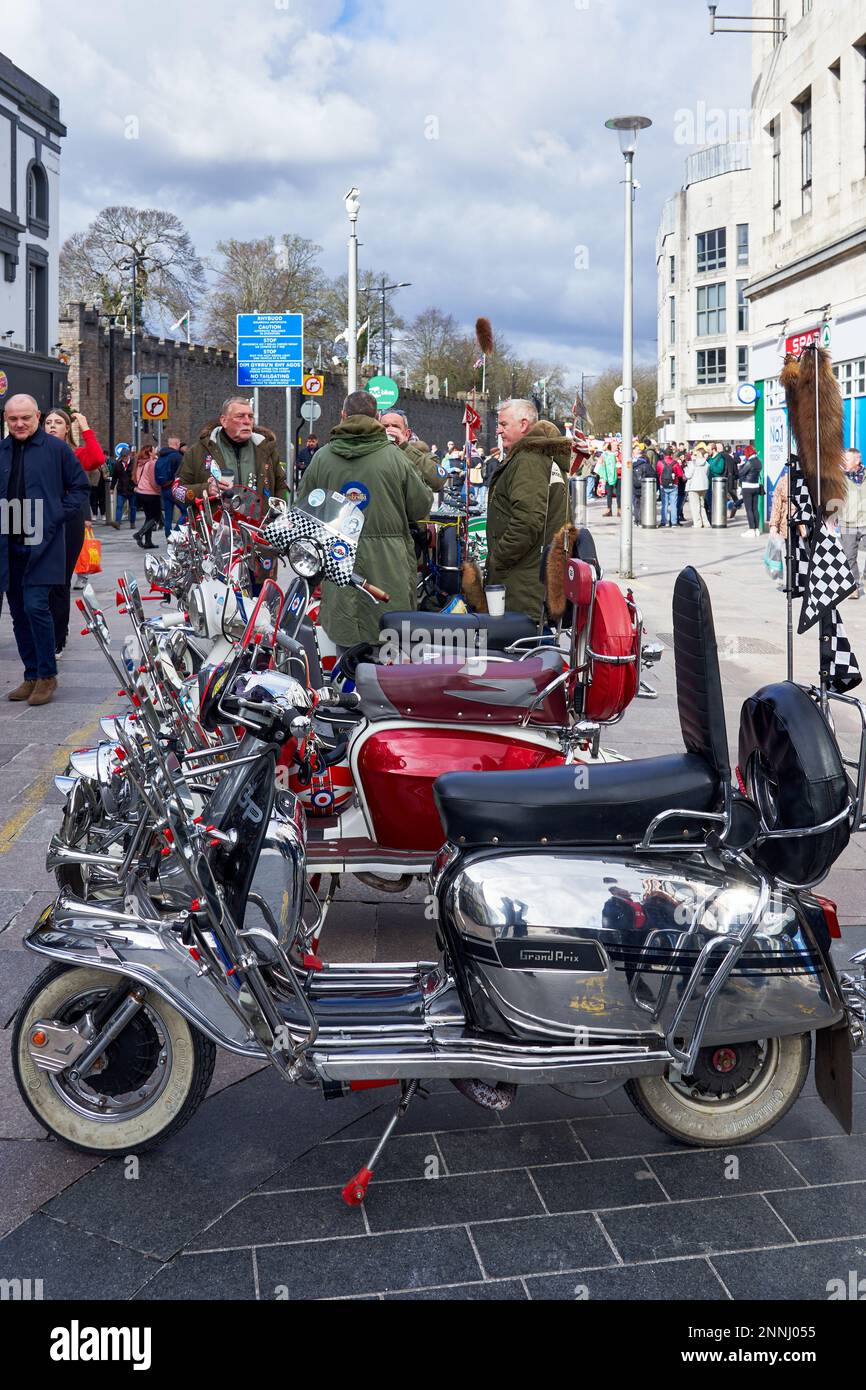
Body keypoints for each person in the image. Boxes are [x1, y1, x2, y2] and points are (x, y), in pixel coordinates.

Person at [298, 391, 433, 652]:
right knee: (390, 651)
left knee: (346, 651)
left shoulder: (322, 458)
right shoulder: (395, 458)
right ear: (378, 418)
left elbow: (304, 510)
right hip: (389, 569)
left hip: (339, 565)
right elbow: (420, 505)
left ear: (343, 415)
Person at [0, 394, 89, 706]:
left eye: (25, 417)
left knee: (37, 606)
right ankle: (31, 674)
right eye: (13, 419)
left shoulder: (57, 449)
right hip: (8, 540)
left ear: (36, 416)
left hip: (44, 539)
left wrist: (54, 515)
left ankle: (47, 675)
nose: (20, 423)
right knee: (18, 612)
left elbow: (80, 488)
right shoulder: (2, 450)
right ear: (6, 419)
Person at [486, 399, 568, 622]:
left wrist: (498, 558)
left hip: (523, 583)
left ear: (523, 425)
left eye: (503, 424)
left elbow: (528, 521)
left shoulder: (528, 460)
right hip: (531, 580)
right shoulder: (539, 458)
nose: (499, 430)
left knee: (524, 651)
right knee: (536, 647)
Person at [42, 407, 105, 652]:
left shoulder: (75, 453)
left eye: (58, 422)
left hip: (69, 521)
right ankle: (46, 630)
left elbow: (98, 459)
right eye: (48, 422)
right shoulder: (36, 452)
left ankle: (58, 635)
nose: (53, 426)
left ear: (67, 428)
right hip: (41, 520)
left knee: (60, 580)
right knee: (39, 581)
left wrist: (86, 427)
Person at [175, 397, 288, 510]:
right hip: (216, 525)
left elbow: (282, 487)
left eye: (250, 416)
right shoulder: (198, 451)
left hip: (259, 526)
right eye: (240, 416)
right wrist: (206, 489)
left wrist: (278, 513)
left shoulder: (266, 449)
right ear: (224, 421)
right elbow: (177, 491)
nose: (247, 421)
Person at [380, 410, 443, 493]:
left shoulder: (422, 454)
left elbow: (438, 482)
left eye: (395, 426)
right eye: (385, 426)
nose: (390, 430)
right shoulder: (374, 453)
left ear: (407, 434)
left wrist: (405, 447)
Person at [840, 448, 866, 600]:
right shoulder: (840, 478)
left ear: (857, 461)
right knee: (849, 556)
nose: (844, 463)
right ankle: (854, 587)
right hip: (847, 521)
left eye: (847, 460)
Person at [132, 444, 161, 549]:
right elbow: (153, 481)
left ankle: (148, 542)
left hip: (141, 493)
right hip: (151, 493)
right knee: (156, 516)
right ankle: (139, 534)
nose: (156, 451)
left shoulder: (139, 463)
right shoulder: (151, 463)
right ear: (149, 453)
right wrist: (159, 490)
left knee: (149, 517)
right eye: (154, 450)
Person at [155, 435, 184, 538]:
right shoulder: (177, 456)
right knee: (186, 512)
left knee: (168, 516)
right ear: (177, 444)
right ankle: (174, 533)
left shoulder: (161, 456)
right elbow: (182, 473)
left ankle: (168, 536)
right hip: (175, 489)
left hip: (164, 488)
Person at [111, 443, 137, 526]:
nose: (124, 458)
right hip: (121, 489)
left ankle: (132, 522)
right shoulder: (117, 465)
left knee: (133, 507)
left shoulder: (133, 464)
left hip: (132, 489)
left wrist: (137, 486)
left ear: (129, 455)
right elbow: (114, 477)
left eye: (126, 456)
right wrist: (112, 488)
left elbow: (137, 476)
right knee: (119, 506)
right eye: (123, 457)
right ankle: (117, 522)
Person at [738, 451, 763, 538]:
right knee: (755, 509)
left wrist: (741, 467)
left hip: (747, 487)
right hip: (756, 486)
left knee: (749, 509)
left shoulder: (750, 462)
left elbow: (741, 473)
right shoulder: (759, 461)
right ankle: (757, 529)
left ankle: (751, 530)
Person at [685, 448, 710, 529]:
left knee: (695, 506)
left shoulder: (693, 463)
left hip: (694, 487)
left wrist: (685, 469)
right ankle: (706, 523)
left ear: (699, 454)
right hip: (704, 486)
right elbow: (707, 474)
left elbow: (688, 475)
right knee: (702, 505)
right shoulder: (706, 463)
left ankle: (697, 523)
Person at [658, 449, 683, 528]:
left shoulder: (660, 463)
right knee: (673, 504)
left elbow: (658, 472)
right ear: (671, 455)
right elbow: (680, 475)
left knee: (664, 504)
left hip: (663, 485)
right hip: (674, 485)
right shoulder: (675, 463)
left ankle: (663, 522)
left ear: (664, 455)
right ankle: (674, 522)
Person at [598, 441, 620, 517]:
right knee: (609, 494)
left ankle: (619, 510)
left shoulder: (620, 454)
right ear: (611, 446)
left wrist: (617, 460)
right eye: (614, 445)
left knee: (619, 494)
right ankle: (609, 509)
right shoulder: (606, 454)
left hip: (619, 476)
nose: (616, 447)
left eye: (617, 445)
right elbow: (600, 463)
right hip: (608, 476)